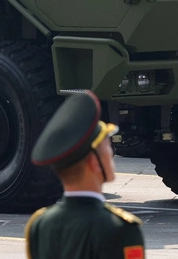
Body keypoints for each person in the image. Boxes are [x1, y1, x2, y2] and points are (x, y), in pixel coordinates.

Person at [25, 90, 145, 259]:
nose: (111, 154)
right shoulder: (120, 229)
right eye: (106, 147)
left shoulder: (40, 226)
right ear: (94, 162)